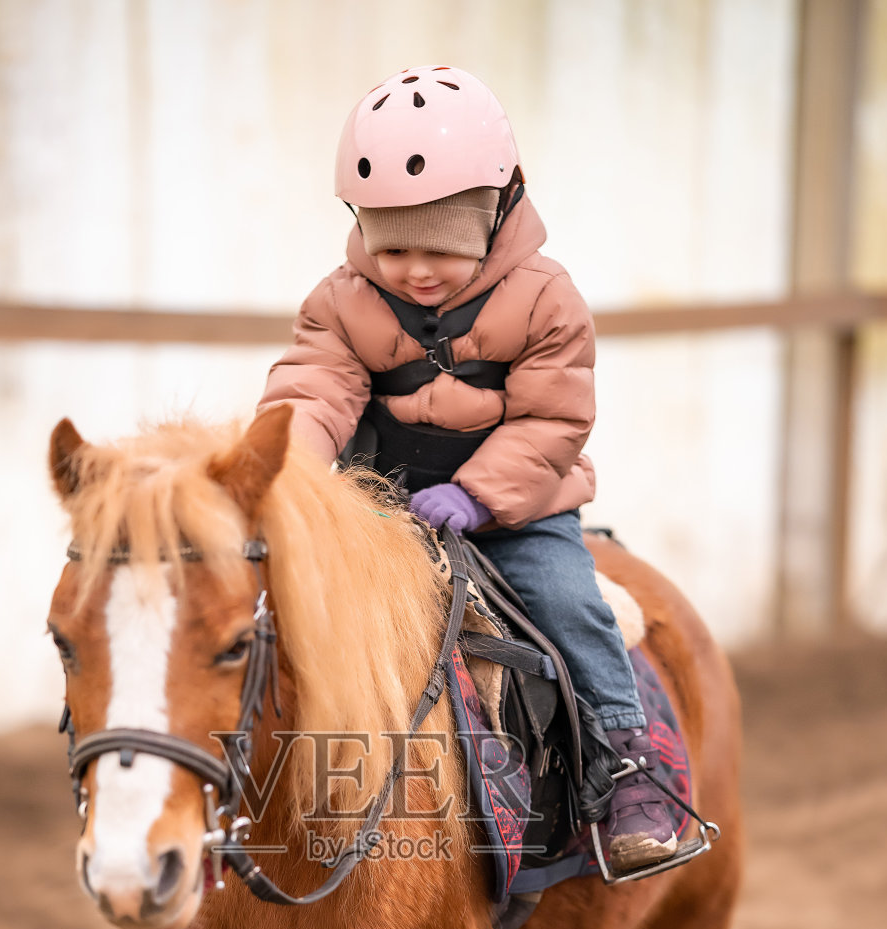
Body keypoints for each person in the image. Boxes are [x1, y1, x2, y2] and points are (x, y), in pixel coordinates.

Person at [258, 64, 677, 872]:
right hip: (381, 505)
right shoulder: (340, 300)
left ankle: (627, 765)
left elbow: (553, 417)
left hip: (519, 504)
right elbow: (313, 390)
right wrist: (282, 471)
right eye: (394, 247)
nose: (415, 270)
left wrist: (479, 494)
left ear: (496, 216)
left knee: (567, 601)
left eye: (440, 249)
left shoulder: (548, 298)